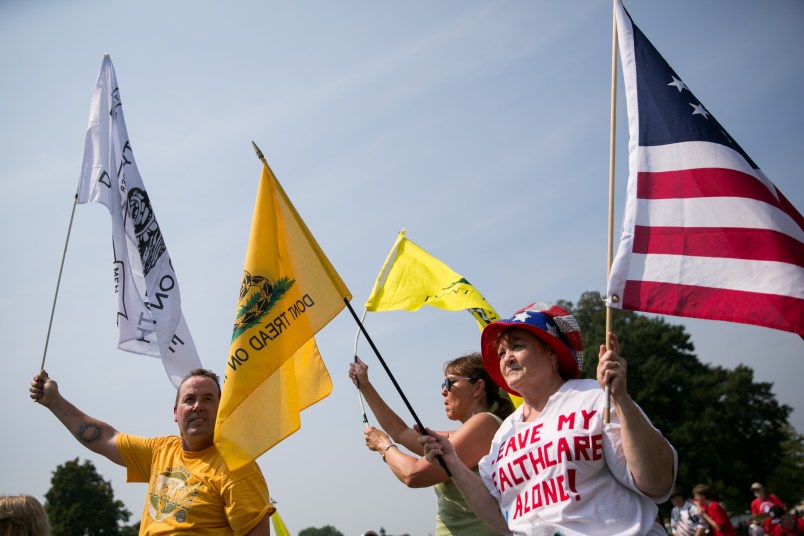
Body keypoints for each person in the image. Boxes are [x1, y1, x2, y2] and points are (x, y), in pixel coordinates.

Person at [419, 301, 678, 535]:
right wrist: (453, 464)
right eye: (501, 353)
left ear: (552, 353)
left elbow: (656, 482)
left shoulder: (596, 397)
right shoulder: (503, 436)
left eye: (517, 346)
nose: (507, 358)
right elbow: (501, 520)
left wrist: (621, 399)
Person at [29, 368, 272, 535]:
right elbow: (104, 438)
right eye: (189, 399)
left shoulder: (238, 468)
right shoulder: (160, 451)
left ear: (221, 411)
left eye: (208, 399)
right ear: (176, 412)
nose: (198, 406)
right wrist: (54, 401)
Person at [349, 353, 515, 535]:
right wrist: (365, 386)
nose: (443, 390)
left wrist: (383, 445)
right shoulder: (473, 432)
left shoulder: (486, 423)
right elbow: (401, 432)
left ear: (478, 387)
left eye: (449, 383)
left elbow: (412, 475)